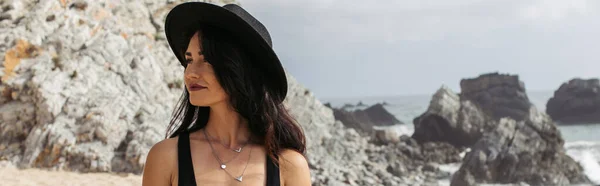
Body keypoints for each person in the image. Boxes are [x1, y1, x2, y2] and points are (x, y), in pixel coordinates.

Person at [141, 2, 311, 186]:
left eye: (206, 60)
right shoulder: (166, 157)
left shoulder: (289, 165)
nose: (190, 73)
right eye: (189, 60)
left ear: (240, 69)